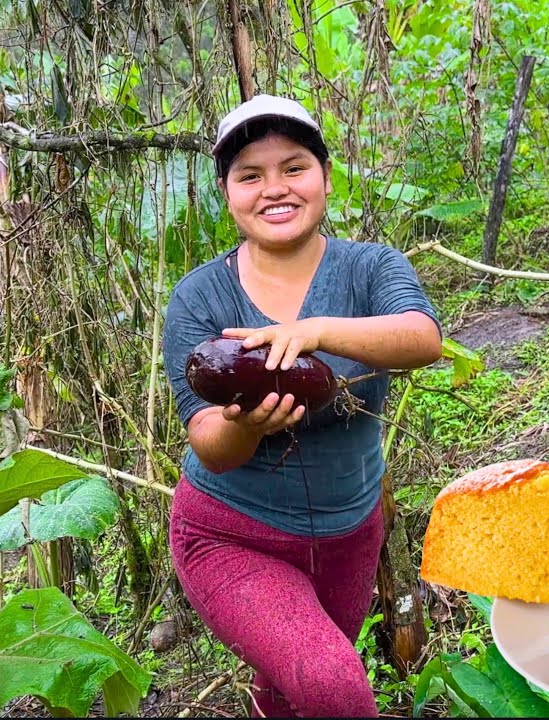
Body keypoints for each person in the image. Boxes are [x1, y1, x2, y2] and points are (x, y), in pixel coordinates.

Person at [163, 95, 443, 718]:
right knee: (333, 685)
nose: (275, 188)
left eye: (294, 167)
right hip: (231, 534)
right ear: (227, 193)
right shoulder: (198, 297)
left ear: (325, 176)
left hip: (350, 536)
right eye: (250, 175)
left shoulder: (371, 267)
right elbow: (208, 441)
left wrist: (314, 331)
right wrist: (244, 426)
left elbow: (423, 337)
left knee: (293, 693)